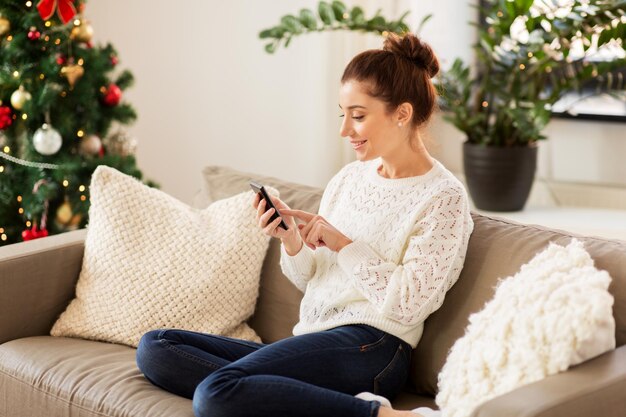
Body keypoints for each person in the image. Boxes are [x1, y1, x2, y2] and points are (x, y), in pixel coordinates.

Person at [136, 32, 473, 417]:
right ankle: (280, 393)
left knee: (215, 394)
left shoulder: (443, 198)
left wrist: (344, 245)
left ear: (402, 113)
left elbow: (408, 305)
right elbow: (310, 279)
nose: (345, 130)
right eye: (342, 114)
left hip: (374, 347)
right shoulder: (349, 179)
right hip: (315, 338)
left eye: (358, 116)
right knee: (157, 347)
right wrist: (293, 242)